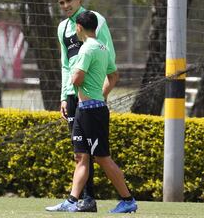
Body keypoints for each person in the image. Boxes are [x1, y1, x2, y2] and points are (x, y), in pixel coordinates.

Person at [46, 11, 137, 213]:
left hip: (92, 111)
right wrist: (102, 93)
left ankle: (127, 199)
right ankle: (71, 201)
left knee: (102, 157)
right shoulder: (103, 47)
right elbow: (113, 75)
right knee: (81, 156)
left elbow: (77, 79)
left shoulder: (86, 49)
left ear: (79, 28)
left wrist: (73, 74)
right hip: (84, 108)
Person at [48, 0, 117, 212]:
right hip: (73, 97)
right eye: (61, 3)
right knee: (80, 152)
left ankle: (97, 199)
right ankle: (85, 200)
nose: (66, 6)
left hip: (92, 98)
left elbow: (109, 60)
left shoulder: (95, 19)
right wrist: (64, 97)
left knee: (96, 153)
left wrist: (101, 95)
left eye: (69, 0)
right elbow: (66, 65)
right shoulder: (63, 29)